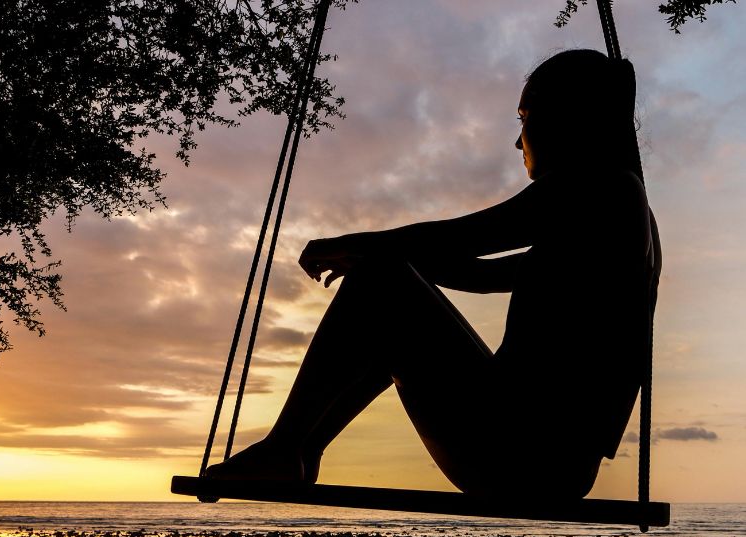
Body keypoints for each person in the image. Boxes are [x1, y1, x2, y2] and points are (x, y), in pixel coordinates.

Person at [206, 49, 660, 499]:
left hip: (521, 454)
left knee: (382, 280)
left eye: (523, 118)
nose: (518, 142)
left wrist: (361, 247)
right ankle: (301, 451)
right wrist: (385, 260)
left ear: (567, 116)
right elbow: (479, 273)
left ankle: (286, 448)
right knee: (389, 289)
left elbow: (470, 236)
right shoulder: (617, 213)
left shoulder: (598, 188)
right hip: (550, 463)